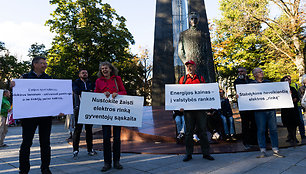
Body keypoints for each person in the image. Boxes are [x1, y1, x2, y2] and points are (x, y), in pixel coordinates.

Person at [10, 56, 64, 174]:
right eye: (43, 63)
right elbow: (15, 93)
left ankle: (45, 168)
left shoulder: (49, 78)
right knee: (26, 143)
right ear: (35, 64)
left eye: (46, 63)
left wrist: (60, 109)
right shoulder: (24, 78)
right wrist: (13, 85)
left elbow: (54, 96)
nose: (45, 65)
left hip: (45, 117)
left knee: (45, 143)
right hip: (29, 117)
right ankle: (23, 170)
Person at [179, 60, 214, 162]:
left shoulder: (200, 78)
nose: (189, 68)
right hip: (188, 111)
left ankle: (206, 153)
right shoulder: (183, 79)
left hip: (200, 110)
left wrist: (210, 104)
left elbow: (206, 92)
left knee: (203, 131)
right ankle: (188, 154)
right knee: (189, 132)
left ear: (195, 67)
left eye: (191, 66)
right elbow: (179, 94)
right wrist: (180, 106)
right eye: (187, 66)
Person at [94, 62, 126, 172]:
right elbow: (95, 95)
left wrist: (117, 94)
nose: (104, 70)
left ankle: (116, 161)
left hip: (117, 112)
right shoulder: (98, 81)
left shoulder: (117, 79)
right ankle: (107, 163)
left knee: (117, 138)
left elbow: (124, 91)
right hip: (105, 113)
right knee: (106, 138)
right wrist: (102, 94)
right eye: (102, 68)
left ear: (110, 69)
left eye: (106, 68)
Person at [251, 68, 284, 158]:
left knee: (273, 129)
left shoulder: (268, 83)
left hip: (270, 109)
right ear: (255, 75)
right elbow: (246, 95)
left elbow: (278, 92)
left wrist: (286, 93)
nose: (262, 73)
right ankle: (262, 150)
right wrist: (240, 96)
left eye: (262, 71)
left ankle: (276, 149)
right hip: (259, 111)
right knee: (261, 130)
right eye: (259, 72)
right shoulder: (251, 85)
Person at [178, 12, 215, 82]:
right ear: (189, 21)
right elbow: (180, 51)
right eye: (192, 19)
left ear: (198, 20)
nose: (194, 20)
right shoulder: (183, 34)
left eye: (195, 19)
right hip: (190, 63)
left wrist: (205, 61)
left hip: (202, 65)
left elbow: (207, 51)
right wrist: (186, 62)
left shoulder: (203, 34)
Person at [72, 69, 97, 159]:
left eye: (86, 72)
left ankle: (90, 149)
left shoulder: (91, 82)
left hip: (89, 108)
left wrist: (87, 92)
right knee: (77, 130)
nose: (85, 74)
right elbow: (76, 91)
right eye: (83, 73)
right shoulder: (75, 83)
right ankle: (75, 149)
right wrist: (88, 92)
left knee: (89, 130)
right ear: (79, 75)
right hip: (78, 108)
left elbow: (95, 92)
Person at [234, 67, 257, 149]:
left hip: (252, 106)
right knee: (245, 124)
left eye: (242, 71)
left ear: (245, 72)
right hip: (243, 106)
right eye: (239, 72)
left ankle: (253, 141)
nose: (240, 73)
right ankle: (246, 142)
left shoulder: (251, 81)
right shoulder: (237, 81)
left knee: (254, 123)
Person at [280, 76, 300, 145]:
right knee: (288, 123)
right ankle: (290, 136)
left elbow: (297, 98)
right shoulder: (281, 90)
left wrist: (294, 98)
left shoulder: (293, 89)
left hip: (293, 109)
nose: (288, 81)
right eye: (286, 80)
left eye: (288, 80)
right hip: (285, 109)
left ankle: (294, 137)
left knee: (294, 123)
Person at [288, 75, 306, 140]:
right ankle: (292, 136)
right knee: (293, 121)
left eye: (289, 79)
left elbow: (297, 95)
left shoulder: (295, 85)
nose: (289, 80)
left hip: (297, 105)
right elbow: (300, 95)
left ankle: (302, 135)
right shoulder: (301, 88)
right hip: (293, 106)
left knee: (301, 121)